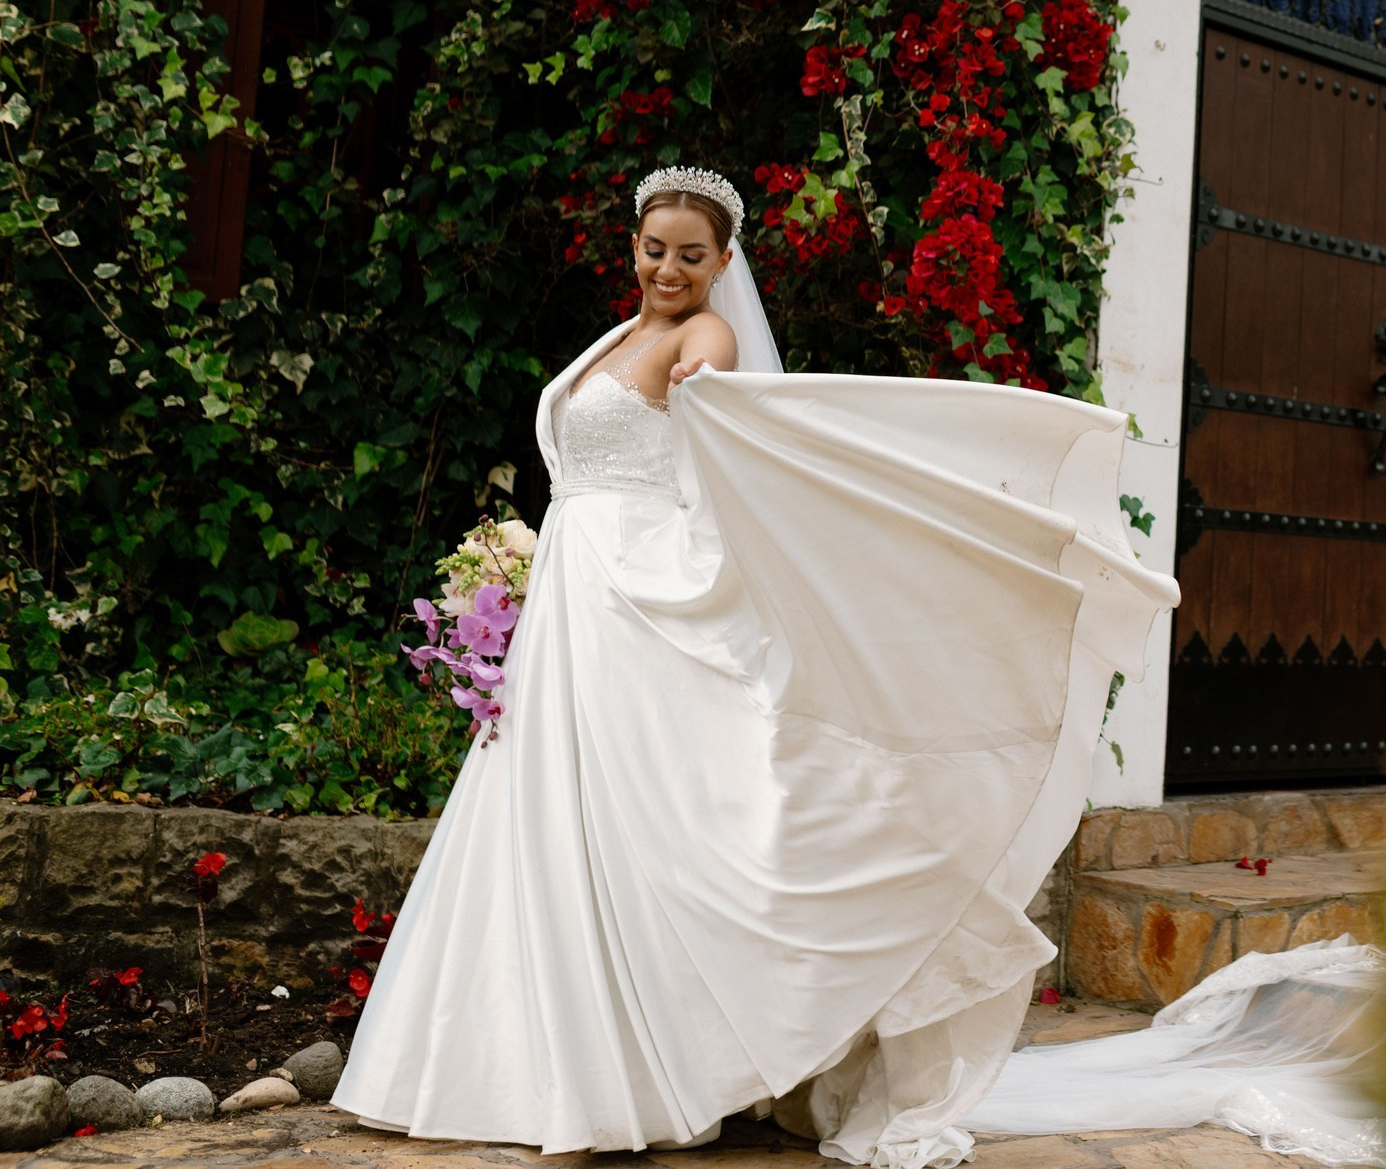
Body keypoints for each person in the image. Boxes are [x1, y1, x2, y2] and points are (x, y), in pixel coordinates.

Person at [335, 165, 1180, 1167]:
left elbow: (731, 451)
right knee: (554, 820)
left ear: (723, 262)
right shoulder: (619, 336)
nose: (669, 268)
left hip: (638, 600)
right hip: (576, 603)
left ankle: (650, 1075)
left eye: (692, 255)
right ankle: (521, 1065)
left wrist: (711, 394)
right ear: (635, 247)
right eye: (655, 249)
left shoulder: (708, 339)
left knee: (648, 819)